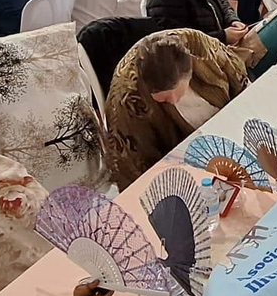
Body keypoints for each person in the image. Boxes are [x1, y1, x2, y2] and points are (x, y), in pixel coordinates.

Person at [102, 29, 250, 189]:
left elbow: (241, 84)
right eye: (164, 99)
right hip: (178, 165)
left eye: (178, 94)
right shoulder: (124, 98)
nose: (172, 101)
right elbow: (130, 167)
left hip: (227, 132)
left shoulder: (202, 48)